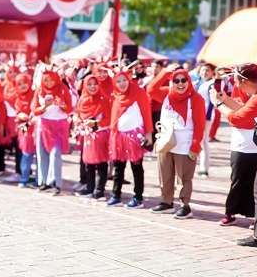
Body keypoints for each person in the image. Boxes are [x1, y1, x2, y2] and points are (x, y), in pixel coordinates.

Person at [212, 63, 257, 248]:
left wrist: (218, 104)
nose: (236, 85)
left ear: (244, 80)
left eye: (236, 80)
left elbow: (237, 118)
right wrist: (225, 99)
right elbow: (245, 109)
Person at [147, 65, 206, 219]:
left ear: (189, 81)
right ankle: (166, 202)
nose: (180, 84)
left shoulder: (196, 98)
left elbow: (200, 125)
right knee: (165, 173)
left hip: (185, 144)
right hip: (166, 141)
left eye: (184, 80)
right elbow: (151, 89)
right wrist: (165, 73)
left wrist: (195, 145)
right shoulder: (167, 94)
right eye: (176, 80)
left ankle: (185, 205)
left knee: (184, 177)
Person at [107, 70, 153, 208]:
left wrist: (149, 133)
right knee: (118, 167)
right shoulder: (116, 96)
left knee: (136, 167)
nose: (121, 84)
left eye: (124, 80)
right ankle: (116, 195)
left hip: (135, 136)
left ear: (129, 79)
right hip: (119, 136)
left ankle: (138, 197)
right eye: (118, 81)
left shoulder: (139, 93)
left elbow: (146, 114)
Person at [32, 67, 71, 195]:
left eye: (51, 80)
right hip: (44, 125)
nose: (49, 83)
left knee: (55, 154)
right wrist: (45, 106)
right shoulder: (39, 91)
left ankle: (56, 183)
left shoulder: (63, 89)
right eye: (46, 80)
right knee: (42, 153)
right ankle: (44, 182)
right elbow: (35, 110)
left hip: (59, 126)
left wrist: (61, 105)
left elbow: (69, 108)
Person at [74, 75, 111, 199]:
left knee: (101, 163)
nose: (92, 87)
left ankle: (99, 189)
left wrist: (96, 123)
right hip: (87, 135)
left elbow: (109, 119)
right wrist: (77, 120)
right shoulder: (82, 100)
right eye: (89, 84)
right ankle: (90, 187)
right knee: (88, 162)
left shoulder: (104, 99)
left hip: (100, 134)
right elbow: (78, 113)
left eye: (95, 84)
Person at [195, 63, 217, 177]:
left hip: (205, 117)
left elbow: (212, 103)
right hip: (196, 116)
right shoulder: (199, 83)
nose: (204, 72)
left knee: (203, 141)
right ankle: (199, 166)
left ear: (212, 72)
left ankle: (204, 168)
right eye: (202, 70)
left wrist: (206, 117)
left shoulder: (212, 84)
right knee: (198, 141)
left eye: (207, 70)